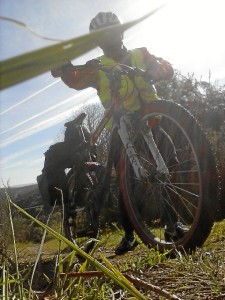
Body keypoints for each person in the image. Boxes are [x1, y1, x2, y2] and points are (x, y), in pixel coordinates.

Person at [51, 12, 185, 255]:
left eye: (112, 31)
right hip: (120, 129)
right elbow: (75, 78)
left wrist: (159, 70)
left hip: (151, 122)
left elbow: (164, 66)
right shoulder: (97, 67)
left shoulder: (139, 54)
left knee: (169, 167)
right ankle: (129, 234)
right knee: (124, 182)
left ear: (121, 32)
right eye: (102, 36)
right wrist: (62, 67)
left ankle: (171, 225)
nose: (109, 39)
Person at [37, 117, 90, 211]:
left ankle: (68, 203)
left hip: (68, 155)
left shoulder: (56, 150)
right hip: (60, 167)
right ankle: (68, 203)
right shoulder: (57, 151)